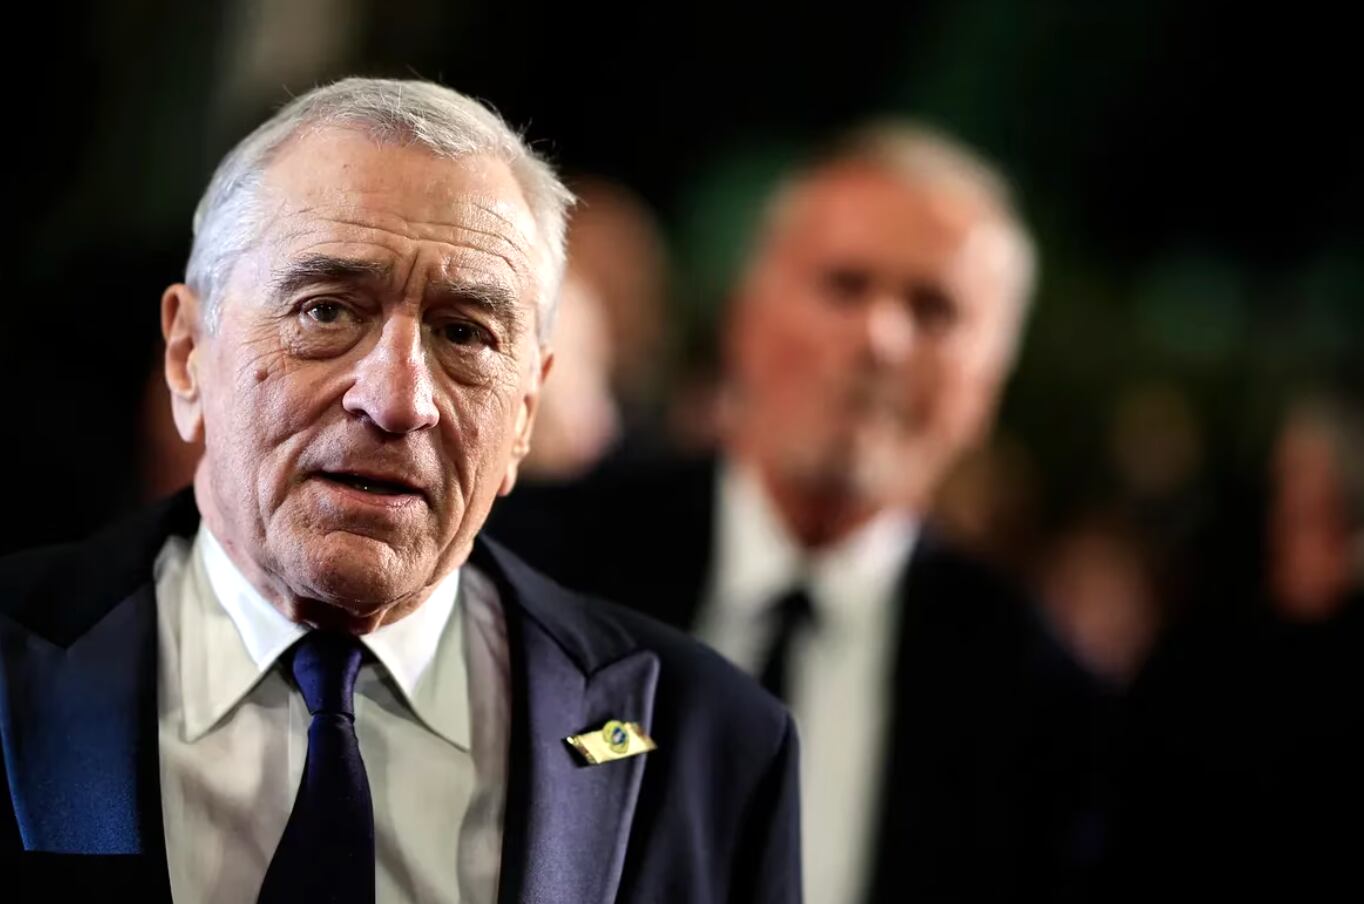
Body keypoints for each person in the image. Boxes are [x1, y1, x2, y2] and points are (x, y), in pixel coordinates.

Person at [0, 78, 800, 903]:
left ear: (525, 413)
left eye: (463, 333)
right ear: (187, 356)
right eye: (327, 312)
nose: (397, 399)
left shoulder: (713, 750)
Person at [491, 121, 1104, 901]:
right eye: (845, 286)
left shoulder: (1040, 706)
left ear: (989, 382)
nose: (881, 339)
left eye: (934, 309)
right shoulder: (532, 566)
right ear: (745, 317)